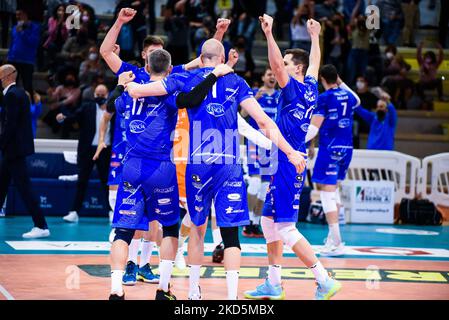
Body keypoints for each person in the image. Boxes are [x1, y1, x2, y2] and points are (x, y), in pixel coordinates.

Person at [126, 38, 306, 300]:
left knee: (198, 229)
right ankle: (231, 298)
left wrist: (129, 85)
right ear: (222, 59)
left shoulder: (184, 79)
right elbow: (264, 121)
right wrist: (289, 151)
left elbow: (141, 91)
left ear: (201, 57)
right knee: (231, 236)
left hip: (197, 162)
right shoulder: (236, 82)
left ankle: (193, 291)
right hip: (228, 165)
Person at [108, 50, 234, 300]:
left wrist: (120, 84)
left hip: (131, 167)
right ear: (169, 70)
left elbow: (112, 102)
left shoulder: (128, 94)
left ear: (146, 65)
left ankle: (115, 289)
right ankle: (163, 288)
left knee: (123, 232)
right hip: (160, 168)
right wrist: (216, 73)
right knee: (169, 228)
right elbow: (193, 98)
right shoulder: (168, 93)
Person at [244, 14, 341, 301]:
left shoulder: (296, 86)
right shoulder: (311, 85)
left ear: (294, 69)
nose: (279, 69)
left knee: (285, 227)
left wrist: (270, 34)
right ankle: (273, 284)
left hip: (288, 160)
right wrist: (315, 36)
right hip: (285, 158)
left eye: (286, 65)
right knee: (267, 222)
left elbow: (275, 64)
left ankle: (324, 280)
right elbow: (314, 62)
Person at [306, 65, 360, 257]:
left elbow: (313, 129)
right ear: (336, 78)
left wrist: (292, 140)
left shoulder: (324, 98)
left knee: (326, 194)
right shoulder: (348, 96)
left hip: (330, 149)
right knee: (333, 190)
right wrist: (341, 82)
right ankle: (332, 238)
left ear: (321, 79)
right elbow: (358, 100)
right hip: (347, 149)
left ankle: (337, 242)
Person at [0, 64, 49, 239]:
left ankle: (41, 225)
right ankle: (40, 224)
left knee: (25, 188)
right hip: (13, 150)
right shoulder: (19, 93)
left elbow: (10, 125)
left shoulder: (13, 95)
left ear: (7, 77)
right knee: (2, 185)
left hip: (13, 149)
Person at [57, 84, 112, 223]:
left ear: (108, 95)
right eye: (97, 94)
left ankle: (112, 211)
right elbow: (74, 117)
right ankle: (74, 212)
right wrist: (63, 117)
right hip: (88, 150)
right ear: (94, 95)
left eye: (102, 94)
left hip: (105, 150)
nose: (100, 97)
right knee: (82, 181)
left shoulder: (114, 108)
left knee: (107, 182)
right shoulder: (87, 107)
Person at [241, 67, 280, 238]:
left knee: (265, 187)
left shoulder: (280, 96)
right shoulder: (254, 93)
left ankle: (255, 223)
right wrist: (253, 102)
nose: (272, 77)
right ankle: (247, 221)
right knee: (255, 184)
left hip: (272, 146)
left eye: (274, 75)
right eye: (269, 74)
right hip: (255, 145)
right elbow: (241, 116)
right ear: (263, 77)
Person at [7, 8, 40, 101]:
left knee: (27, 86)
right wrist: (9, 56)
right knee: (11, 86)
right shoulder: (15, 27)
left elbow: (33, 42)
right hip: (13, 59)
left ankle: (31, 109)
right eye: (16, 15)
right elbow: (12, 43)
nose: (17, 17)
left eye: (19, 14)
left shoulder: (35, 27)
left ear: (25, 15)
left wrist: (22, 32)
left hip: (27, 61)